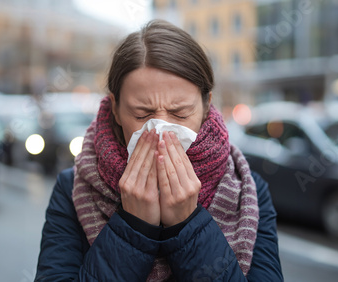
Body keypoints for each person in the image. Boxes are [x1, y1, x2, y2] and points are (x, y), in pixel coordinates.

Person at [35, 19, 283, 281]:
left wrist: (188, 223)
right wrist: (132, 225)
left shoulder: (248, 190)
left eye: (180, 113)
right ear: (116, 109)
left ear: (206, 105)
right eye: (142, 114)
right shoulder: (73, 187)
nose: (162, 130)